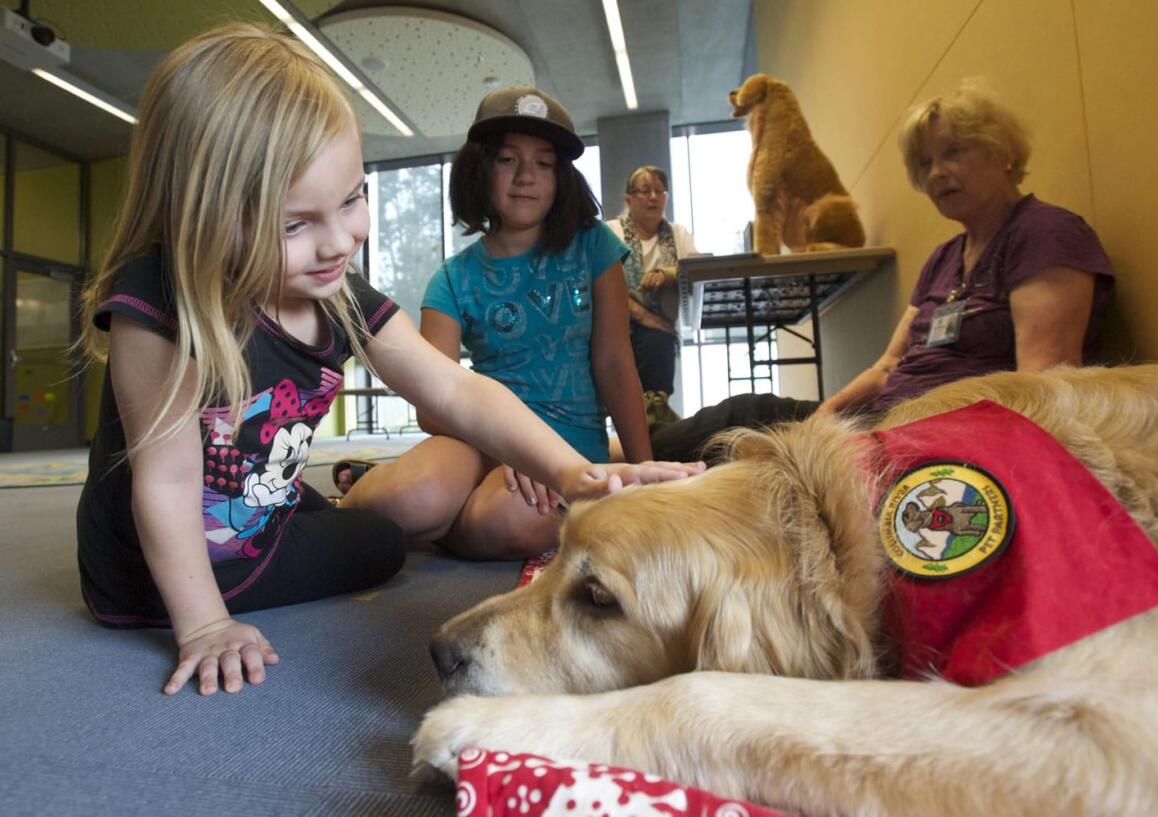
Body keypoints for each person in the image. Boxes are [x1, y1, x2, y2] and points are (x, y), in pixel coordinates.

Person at [75, 26, 700, 698]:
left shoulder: (333, 291)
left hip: (256, 508)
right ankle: (287, 528)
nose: (339, 240)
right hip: (163, 568)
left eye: (351, 199)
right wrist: (203, 626)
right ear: (202, 214)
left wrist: (576, 473)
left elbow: (455, 391)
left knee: (363, 526)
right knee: (382, 545)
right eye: (295, 224)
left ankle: (327, 492)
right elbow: (167, 485)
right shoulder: (160, 302)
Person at [639, 79, 1114, 463]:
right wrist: (823, 420)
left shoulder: (1046, 235)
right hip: (894, 419)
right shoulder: (946, 257)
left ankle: (614, 462)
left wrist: (875, 438)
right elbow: (889, 366)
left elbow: (1042, 390)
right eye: (925, 163)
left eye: (954, 153)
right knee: (749, 411)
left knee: (751, 436)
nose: (936, 174)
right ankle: (609, 459)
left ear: (1004, 153)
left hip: (950, 438)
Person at [339, 87, 658, 560]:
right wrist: (507, 448)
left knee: (512, 522)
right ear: (480, 169)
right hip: (477, 438)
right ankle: (345, 502)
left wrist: (646, 472)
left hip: (567, 446)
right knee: (407, 499)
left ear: (561, 176)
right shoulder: (452, 278)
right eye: (508, 160)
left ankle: (443, 528)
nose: (526, 176)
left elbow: (614, 361)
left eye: (544, 164)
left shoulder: (594, 246)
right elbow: (433, 404)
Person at [605, 166, 700, 425]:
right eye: (645, 191)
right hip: (614, 325)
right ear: (628, 199)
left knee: (658, 337)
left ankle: (654, 413)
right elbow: (596, 283)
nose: (653, 197)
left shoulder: (678, 234)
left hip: (658, 335)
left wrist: (667, 274)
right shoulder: (611, 232)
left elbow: (697, 271)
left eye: (660, 191)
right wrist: (643, 315)